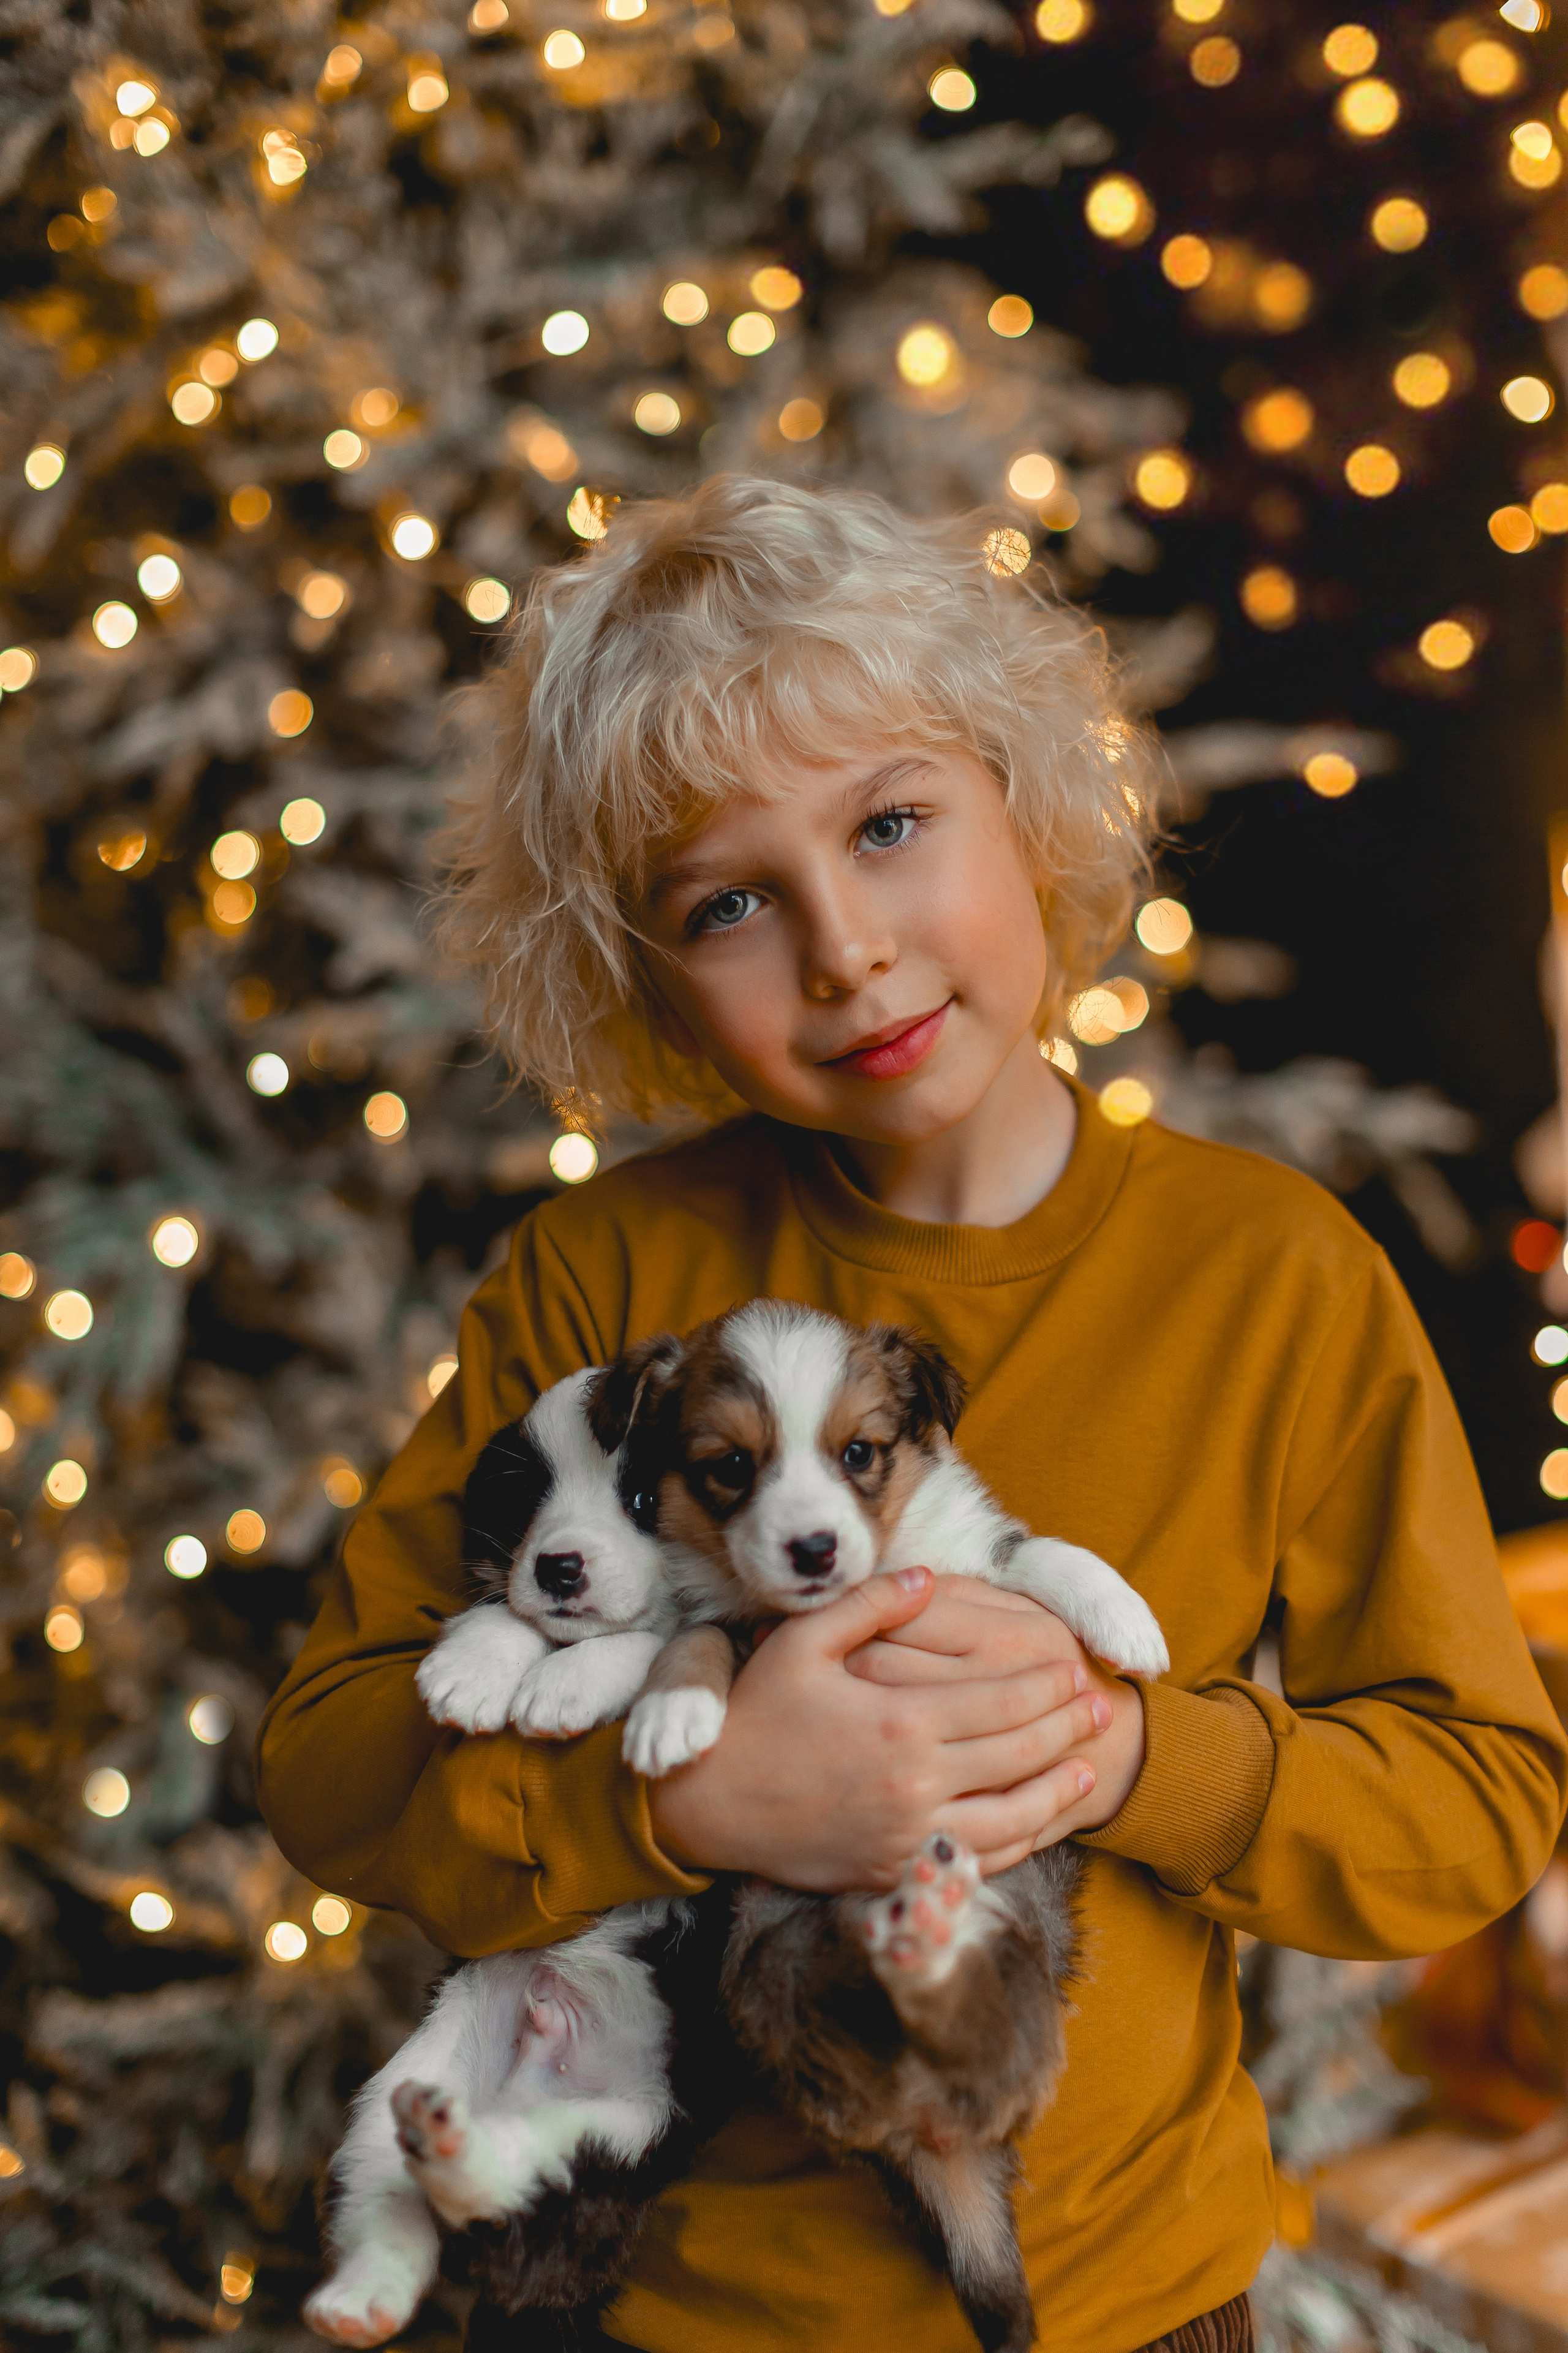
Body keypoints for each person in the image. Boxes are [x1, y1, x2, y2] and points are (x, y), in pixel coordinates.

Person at [258, 476, 1567, 2353]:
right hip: (661, 2317)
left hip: (1124, 2301)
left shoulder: (1277, 1276)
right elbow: (329, 1763)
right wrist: (682, 1799)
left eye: (889, 823)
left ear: (1026, 804)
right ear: (645, 977)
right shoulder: (603, 1275)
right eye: (729, 901)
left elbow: (1478, 1798)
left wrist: (1126, 1754)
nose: (846, 947)